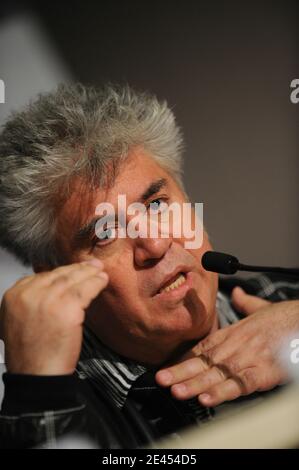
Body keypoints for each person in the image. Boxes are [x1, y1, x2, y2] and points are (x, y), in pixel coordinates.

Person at [0, 84, 298, 448]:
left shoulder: (289, 301)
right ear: (54, 273)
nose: (155, 245)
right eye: (106, 234)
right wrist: (39, 392)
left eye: (157, 205)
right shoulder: (47, 414)